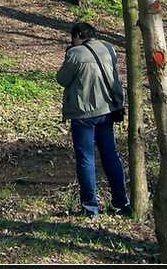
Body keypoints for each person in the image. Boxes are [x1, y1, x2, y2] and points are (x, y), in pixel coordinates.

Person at [56, 21, 130, 217]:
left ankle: (90, 207)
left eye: (73, 38)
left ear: (78, 35)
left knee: (86, 159)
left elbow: (62, 79)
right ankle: (121, 202)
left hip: (83, 114)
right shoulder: (108, 49)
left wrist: (69, 54)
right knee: (110, 156)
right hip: (107, 110)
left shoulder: (75, 54)